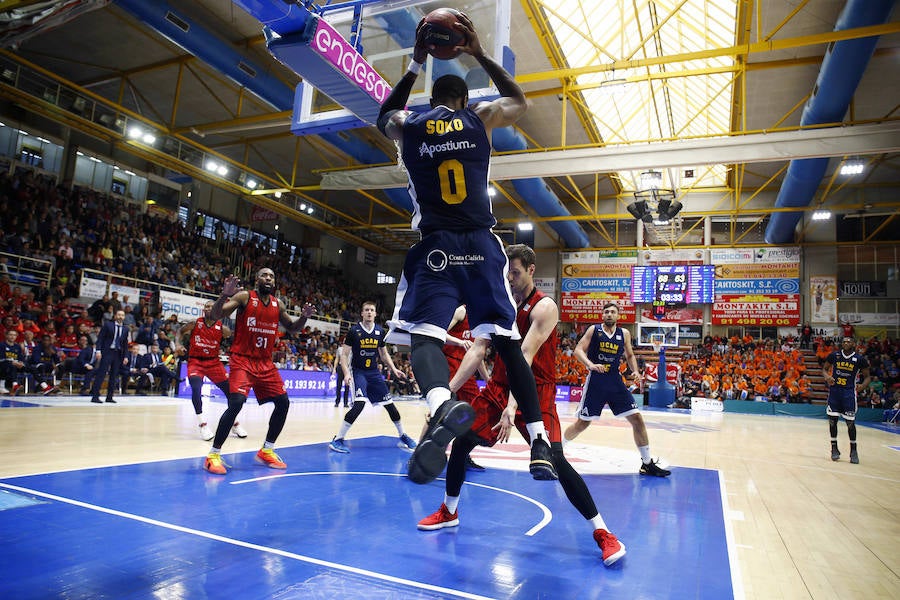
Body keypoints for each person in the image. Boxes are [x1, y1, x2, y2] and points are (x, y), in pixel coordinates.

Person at [377, 11, 554, 483]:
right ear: (464, 99)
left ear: (433, 99)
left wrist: (414, 63)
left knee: (423, 336)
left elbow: (382, 116)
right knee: (506, 341)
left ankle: (439, 404)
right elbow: (519, 99)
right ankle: (538, 439)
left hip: (435, 245)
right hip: (481, 243)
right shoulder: (480, 116)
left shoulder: (409, 125)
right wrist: (478, 53)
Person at [417, 245, 626, 566]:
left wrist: (512, 407)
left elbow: (524, 358)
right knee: (462, 443)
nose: (510, 279)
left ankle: (604, 533)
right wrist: (442, 394)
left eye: (515, 272)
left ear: (530, 270)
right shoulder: (495, 306)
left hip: (535, 391)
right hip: (498, 387)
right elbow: (475, 352)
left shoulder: (545, 307)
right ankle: (449, 510)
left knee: (556, 460)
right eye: (506, 273)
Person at [202, 269, 315, 475]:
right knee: (236, 403)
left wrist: (304, 318)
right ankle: (213, 455)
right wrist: (224, 295)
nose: (268, 279)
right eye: (264, 275)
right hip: (242, 360)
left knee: (283, 403)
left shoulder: (277, 304)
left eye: (272, 276)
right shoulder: (245, 296)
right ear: (257, 279)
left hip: (265, 363)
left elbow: (292, 328)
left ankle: (267, 450)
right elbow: (217, 314)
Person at [563, 303, 671, 477]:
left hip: (614, 380)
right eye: (606, 312)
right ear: (602, 315)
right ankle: (557, 451)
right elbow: (578, 350)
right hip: (596, 381)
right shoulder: (594, 330)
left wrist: (635, 370)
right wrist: (590, 365)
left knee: (637, 419)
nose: (609, 314)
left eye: (613, 312)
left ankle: (647, 463)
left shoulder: (624, 334)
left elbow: (629, 355)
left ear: (618, 316)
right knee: (583, 423)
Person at [328, 301, 417, 453]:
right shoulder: (354, 331)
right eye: (366, 310)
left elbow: (383, 354)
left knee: (390, 406)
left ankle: (402, 435)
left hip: (374, 373)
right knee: (359, 404)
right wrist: (347, 373)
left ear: (375, 314)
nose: (369, 312)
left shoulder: (379, 331)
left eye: (372, 310)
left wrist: (394, 369)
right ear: (362, 313)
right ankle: (338, 439)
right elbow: (344, 354)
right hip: (359, 372)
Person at [176, 301, 242, 441]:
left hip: (213, 363)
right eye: (206, 306)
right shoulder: (195, 323)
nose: (208, 308)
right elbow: (180, 332)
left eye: (211, 307)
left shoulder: (223, 329)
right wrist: (178, 344)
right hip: (196, 362)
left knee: (231, 393)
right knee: (196, 388)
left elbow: (232, 338)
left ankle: (234, 423)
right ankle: (202, 424)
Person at [443, 305, 488, 472]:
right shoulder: (461, 311)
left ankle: (461, 453)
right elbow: (440, 333)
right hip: (450, 363)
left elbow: (478, 354)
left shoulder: (482, 318)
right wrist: (460, 342)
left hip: (466, 368)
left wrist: (487, 379)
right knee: (442, 409)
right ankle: (422, 452)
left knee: (474, 412)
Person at [823, 337, 870, 464]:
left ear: (854, 344)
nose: (846, 343)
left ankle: (853, 451)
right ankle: (834, 449)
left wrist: (863, 386)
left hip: (848, 393)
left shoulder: (859, 359)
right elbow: (824, 369)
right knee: (832, 422)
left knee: (850, 423)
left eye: (849, 341)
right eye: (844, 341)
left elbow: (867, 377)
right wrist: (827, 377)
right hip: (835, 392)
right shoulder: (834, 355)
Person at [89, 309, 129, 404]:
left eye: (122, 315)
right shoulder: (108, 325)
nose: (120, 317)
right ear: (115, 316)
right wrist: (98, 351)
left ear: (124, 317)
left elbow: (125, 344)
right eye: (119, 314)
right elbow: (101, 338)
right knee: (101, 373)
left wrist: (126, 356)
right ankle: (95, 396)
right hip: (107, 352)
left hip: (118, 353)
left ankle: (109, 397)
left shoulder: (126, 329)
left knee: (114, 375)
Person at [0, 329, 25, 395]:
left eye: (14, 335)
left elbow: (21, 358)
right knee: (11, 365)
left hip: (15, 365)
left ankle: (45, 387)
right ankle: (14, 385)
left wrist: (21, 363)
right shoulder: (1, 345)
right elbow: (1, 359)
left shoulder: (17, 346)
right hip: (2, 365)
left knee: (31, 368)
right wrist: (13, 362)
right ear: (6, 336)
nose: (12, 336)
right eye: (10, 335)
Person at [331, 342, 351, 408]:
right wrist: (334, 368)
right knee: (338, 385)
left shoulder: (352, 349)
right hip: (340, 367)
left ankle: (346, 403)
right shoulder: (340, 349)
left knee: (347, 386)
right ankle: (337, 402)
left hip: (348, 368)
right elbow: (337, 359)